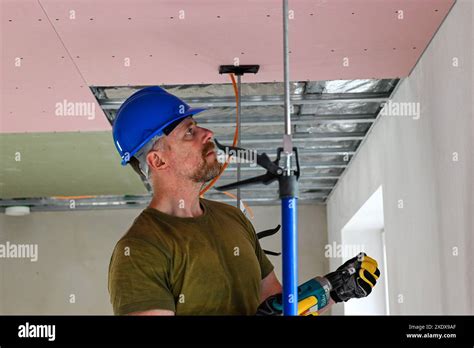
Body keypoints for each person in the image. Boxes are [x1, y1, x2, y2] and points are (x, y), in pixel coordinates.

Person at [107, 86, 380, 316]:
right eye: (189, 132)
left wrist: (332, 289)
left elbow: (276, 303)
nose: (207, 133)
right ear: (157, 160)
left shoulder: (232, 218)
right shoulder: (140, 250)